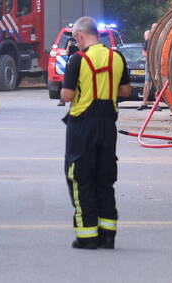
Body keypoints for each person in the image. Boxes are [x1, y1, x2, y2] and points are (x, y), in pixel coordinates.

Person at [60, 16, 131, 250]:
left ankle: (87, 235)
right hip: (108, 124)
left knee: (81, 178)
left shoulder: (76, 60)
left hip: (82, 125)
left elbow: (67, 96)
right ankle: (108, 235)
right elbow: (125, 90)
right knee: (105, 179)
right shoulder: (117, 56)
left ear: (80, 35)